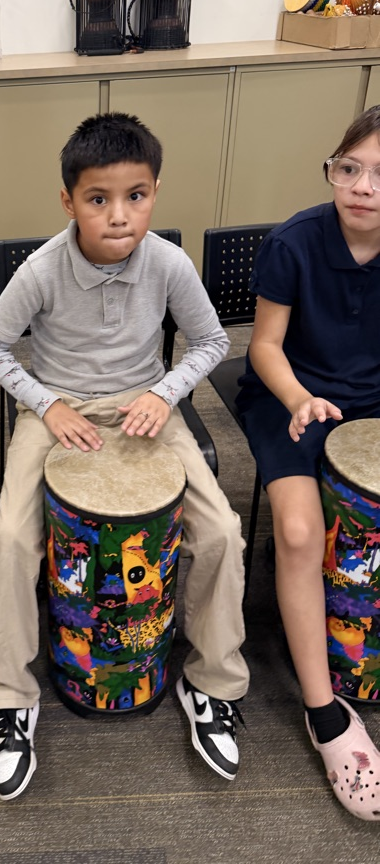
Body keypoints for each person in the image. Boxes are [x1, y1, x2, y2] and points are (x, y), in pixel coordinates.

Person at [0, 112, 249, 800]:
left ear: (156, 191)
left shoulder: (170, 262)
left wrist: (166, 390)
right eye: (99, 199)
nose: (119, 216)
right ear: (68, 201)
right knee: (9, 539)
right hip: (59, 408)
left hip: (142, 406)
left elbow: (214, 344)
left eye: (137, 196)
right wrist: (48, 404)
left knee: (221, 532)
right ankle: (8, 696)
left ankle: (211, 683)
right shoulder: (40, 269)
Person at [236, 106, 380, 821]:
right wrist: (298, 398)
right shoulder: (293, 242)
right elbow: (264, 346)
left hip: (373, 402)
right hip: (290, 395)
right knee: (297, 532)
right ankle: (325, 714)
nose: (361, 186)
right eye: (348, 168)